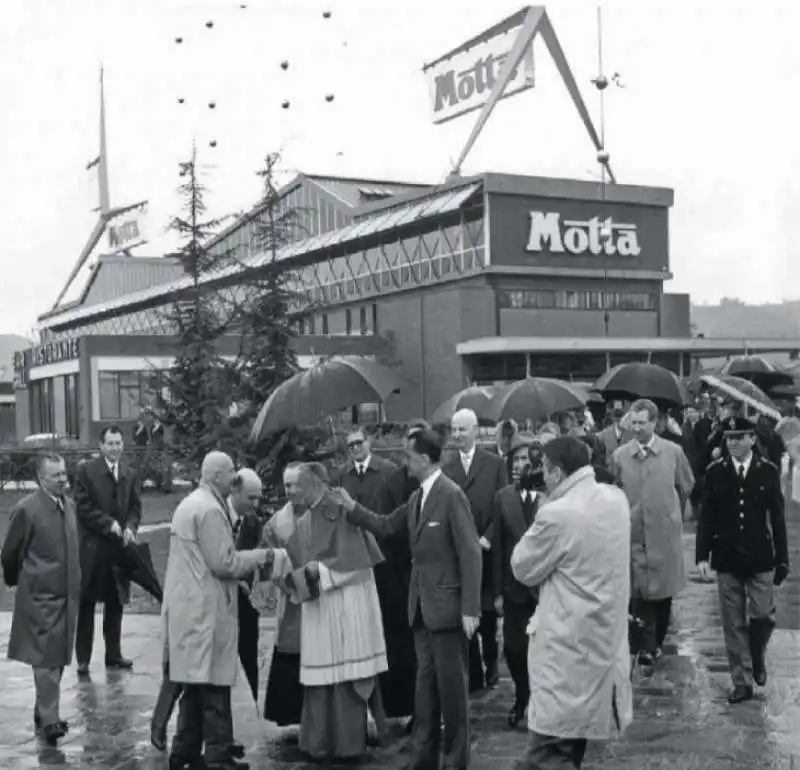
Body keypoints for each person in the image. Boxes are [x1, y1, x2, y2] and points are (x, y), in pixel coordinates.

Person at [332, 428, 482, 770]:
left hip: (447, 612)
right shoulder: (418, 498)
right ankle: (423, 757)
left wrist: (470, 608)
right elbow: (386, 526)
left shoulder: (450, 495)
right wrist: (352, 507)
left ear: (425, 460)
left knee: (453, 694)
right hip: (422, 611)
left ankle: (456, 760)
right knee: (425, 692)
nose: (404, 462)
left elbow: (471, 553)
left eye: (408, 456)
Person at [511, 437, 633, 769]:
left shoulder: (557, 513)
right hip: (602, 642)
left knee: (547, 753)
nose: (543, 477)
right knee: (568, 745)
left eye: (546, 471)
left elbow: (522, 567)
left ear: (557, 472)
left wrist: (543, 508)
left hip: (566, 648)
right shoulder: (615, 499)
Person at [163, 451, 276, 770]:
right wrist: (262, 556)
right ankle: (217, 755)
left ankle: (183, 752)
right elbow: (225, 562)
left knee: (195, 685)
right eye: (230, 474)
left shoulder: (193, 503)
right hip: (205, 610)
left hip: (190, 604)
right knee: (214, 685)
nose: (234, 478)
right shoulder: (210, 510)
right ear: (215, 475)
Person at [283, 462, 388, 761]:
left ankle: (345, 743)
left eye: (300, 484)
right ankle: (320, 740)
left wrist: (317, 574)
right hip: (321, 605)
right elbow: (296, 554)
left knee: (344, 673)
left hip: (346, 603)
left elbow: (356, 565)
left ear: (315, 483)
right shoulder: (309, 514)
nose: (296, 491)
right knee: (321, 675)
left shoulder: (342, 508)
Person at [696, 416, 790, 704]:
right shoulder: (716, 471)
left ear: (752, 438)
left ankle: (757, 655)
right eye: (730, 438)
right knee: (733, 623)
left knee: (763, 616)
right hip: (726, 556)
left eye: (740, 437)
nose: (734, 443)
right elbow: (706, 517)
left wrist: (782, 559)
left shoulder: (768, 471)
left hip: (760, 555)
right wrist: (701, 555)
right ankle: (742, 680)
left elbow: (777, 518)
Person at [1, 453, 81, 746]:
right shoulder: (27, 510)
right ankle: (50, 723)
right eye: (56, 475)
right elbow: (9, 552)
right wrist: (15, 580)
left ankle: (42, 711)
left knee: (58, 657)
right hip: (40, 598)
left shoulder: (69, 506)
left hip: (67, 597)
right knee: (46, 660)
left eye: (64, 473)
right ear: (41, 479)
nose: (63, 479)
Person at [612, 399, 695, 666]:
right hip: (633, 534)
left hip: (664, 534)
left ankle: (655, 641)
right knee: (638, 591)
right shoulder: (620, 456)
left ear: (654, 423)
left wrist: (672, 514)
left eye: (641, 423)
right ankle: (645, 646)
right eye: (632, 423)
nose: (636, 428)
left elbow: (686, 486)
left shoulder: (673, 452)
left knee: (663, 592)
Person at [443, 408, 508, 691]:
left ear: (475, 431)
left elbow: (503, 504)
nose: (457, 435)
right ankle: (472, 671)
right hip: (460, 553)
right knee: (465, 614)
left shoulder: (494, 464)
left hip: (487, 550)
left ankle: (491, 664)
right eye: (454, 429)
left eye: (462, 429)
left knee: (488, 616)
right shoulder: (446, 467)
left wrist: (488, 537)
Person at [73, 425, 142, 675]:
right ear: (101, 446)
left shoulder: (129, 473)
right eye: (110, 443)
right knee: (86, 604)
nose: (115, 448)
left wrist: (131, 527)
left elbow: (135, 506)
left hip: (118, 551)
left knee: (116, 602)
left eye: (118, 443)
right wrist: (107, 523)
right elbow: (83, 506)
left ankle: (113, 654)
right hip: (92, 551)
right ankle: (82, 658)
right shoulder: (86, 472)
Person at [492, 434, 545, 728]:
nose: (522, 464)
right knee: (513, 649)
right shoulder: (503, 497)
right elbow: (498, 548)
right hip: (513, 591)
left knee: (540, 650)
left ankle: (537, 700)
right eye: (517, 459)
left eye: (527, 458)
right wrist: (497, 592)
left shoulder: (549, 496)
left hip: (543, 591)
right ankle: (522, 695)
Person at [379, 420, 429, 731]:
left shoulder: (441, 485)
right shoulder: (393, 484)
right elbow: (387, 527)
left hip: (431, 579)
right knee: (404, 650)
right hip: (400, 577)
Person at [260, 462, 306, 729]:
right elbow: (269, 561)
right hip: (290, 598)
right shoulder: (277, 522)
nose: (290, 490)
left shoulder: (322, 514)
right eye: (287, 484)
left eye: (296, 484)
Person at [596, 405, 631, 471]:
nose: (618, 420)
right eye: (616, 418)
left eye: (620, 418)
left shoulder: (631, 433)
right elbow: (596, 441)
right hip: (610, 468)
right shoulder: (605, 432)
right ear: (612, 418)